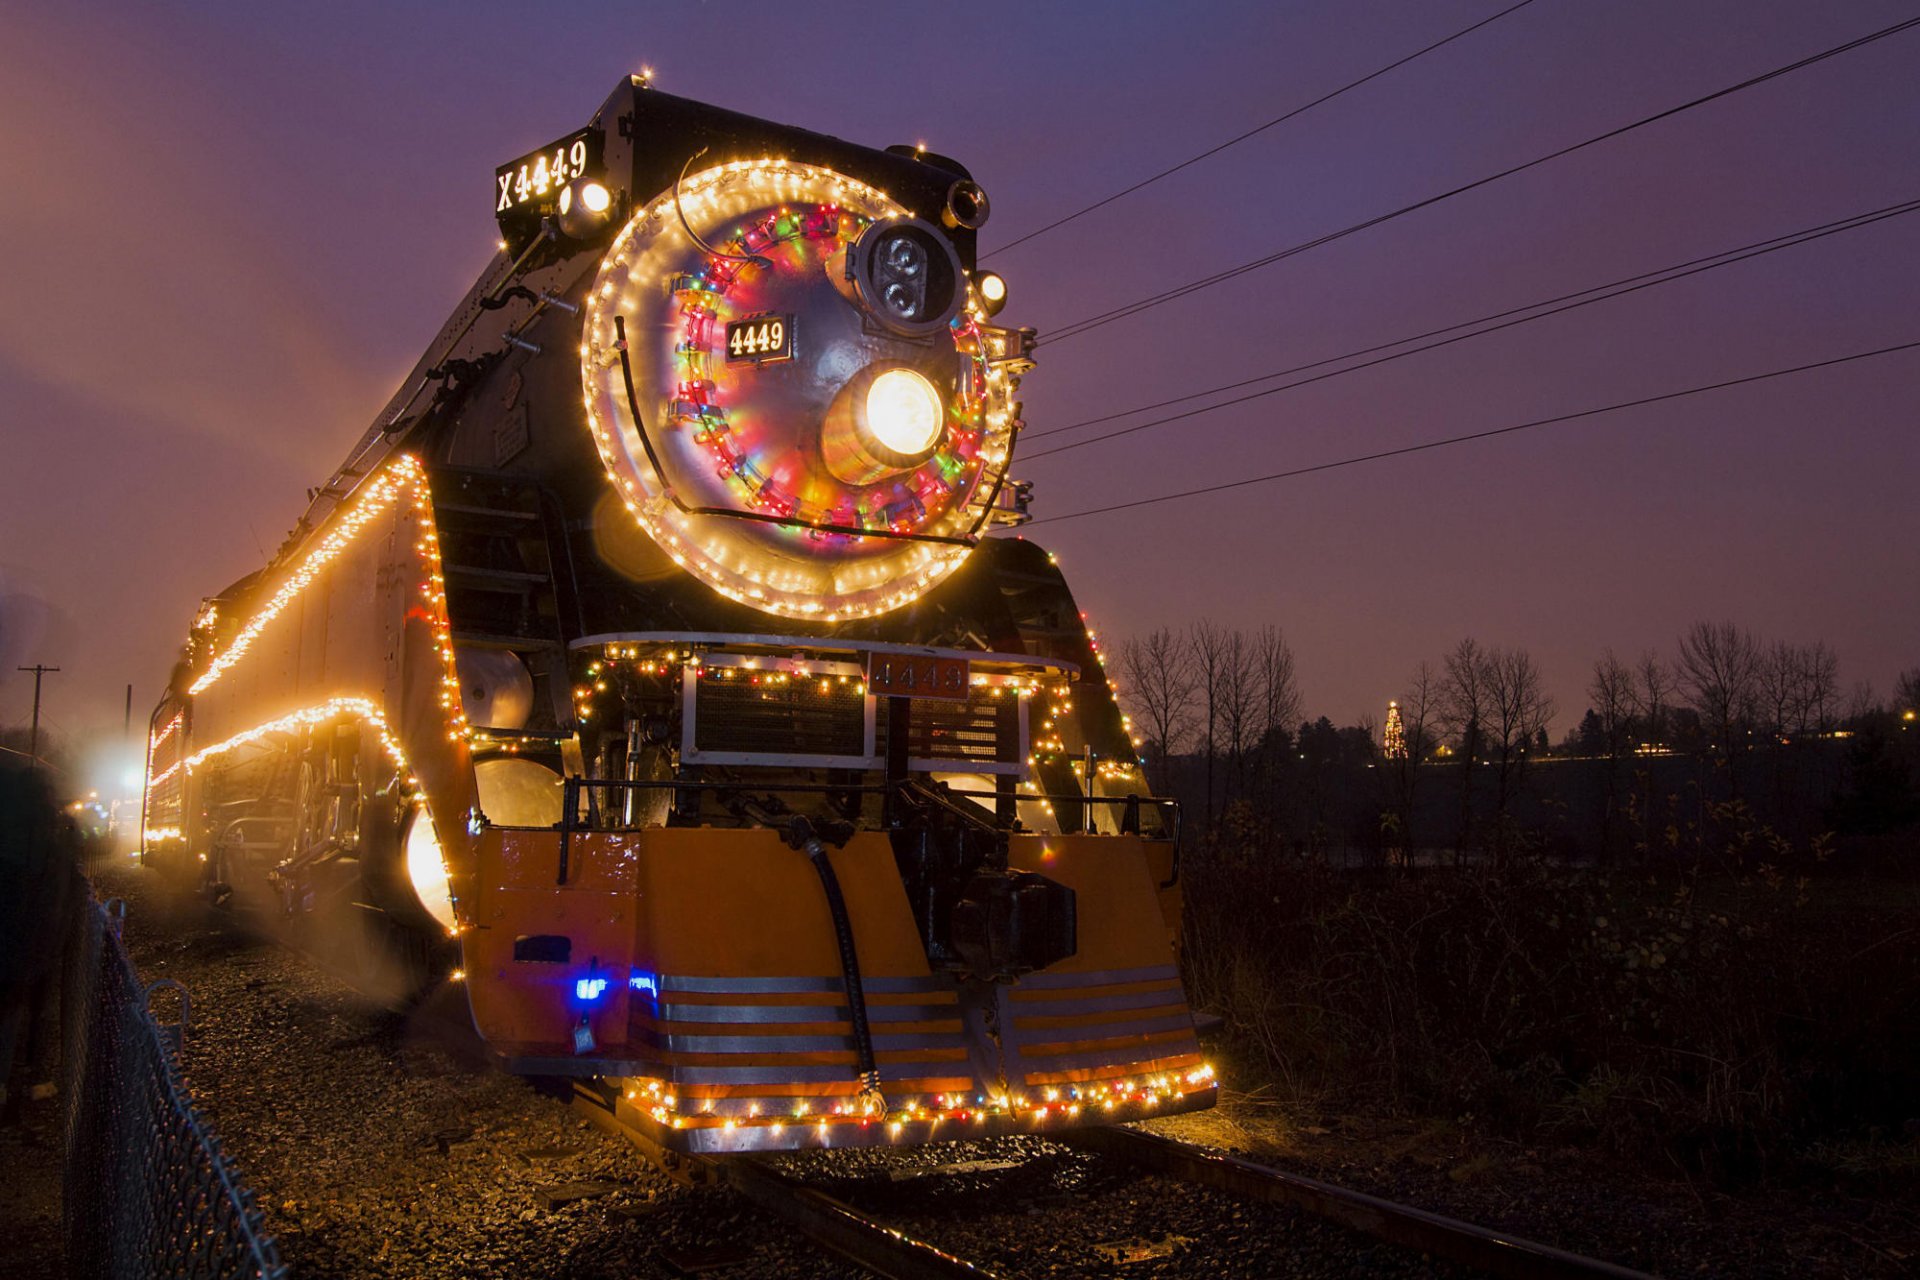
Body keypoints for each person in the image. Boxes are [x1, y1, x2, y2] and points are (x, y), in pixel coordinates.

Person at [0, 761, 80, 1124]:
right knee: (34, 1010)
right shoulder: (56, 838)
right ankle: (33, 1079)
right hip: (40, 940)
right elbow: (62, 891)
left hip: (13, 935)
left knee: (9, 1011)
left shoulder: (11, 837)